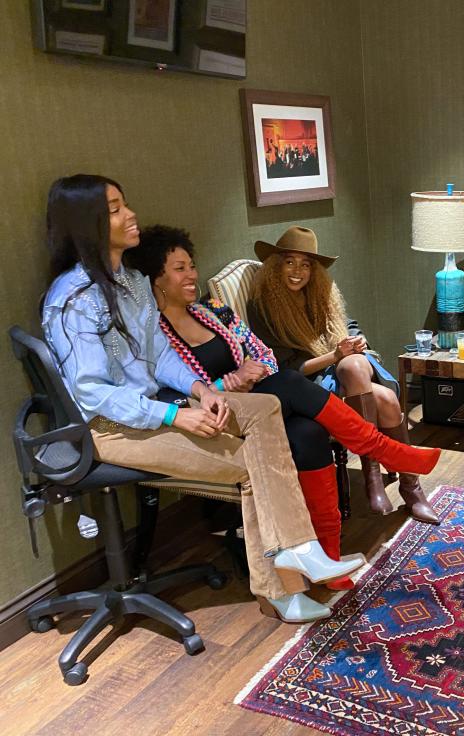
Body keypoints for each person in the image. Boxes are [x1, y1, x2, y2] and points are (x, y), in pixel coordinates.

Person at [41, 174, 365, 624]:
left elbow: (158, 354)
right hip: (110, 426)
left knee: (268, 406)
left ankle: (304, 550)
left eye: (124, 202)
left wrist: (201, 390)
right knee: (256, 464)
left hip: (155, 405)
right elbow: (92, 394)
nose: (130, 214)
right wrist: (175, 414)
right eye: (115, 209)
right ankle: (284, 588)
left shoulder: (132, 282)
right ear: (87, 224)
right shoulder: (75, 299)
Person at [126, 225, 442, 589]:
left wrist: (253, 370)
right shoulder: (156, 333)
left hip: (261, 397)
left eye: (192, 265)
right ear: (156, 279)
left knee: (308, 432)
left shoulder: (213, 310)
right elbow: (173, 392)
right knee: (292, 385)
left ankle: (330, 555)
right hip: (221, 414)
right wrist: (228, 382)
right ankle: (385, 450)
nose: (192, 274)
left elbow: (262, 352)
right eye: (180, 268)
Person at [246, 227, 439, 524]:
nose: (298, 271)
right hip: (308, 389)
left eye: (306, 264)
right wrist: (335, 356)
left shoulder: (320, 297)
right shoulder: (263, 308)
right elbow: (283, 371)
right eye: (290, 262)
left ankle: (378, 477)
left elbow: (350, 327)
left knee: (355, 365)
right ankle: (407, 486)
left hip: (346, 376)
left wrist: (357, 344)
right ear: (275, 266)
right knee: (386, 399)